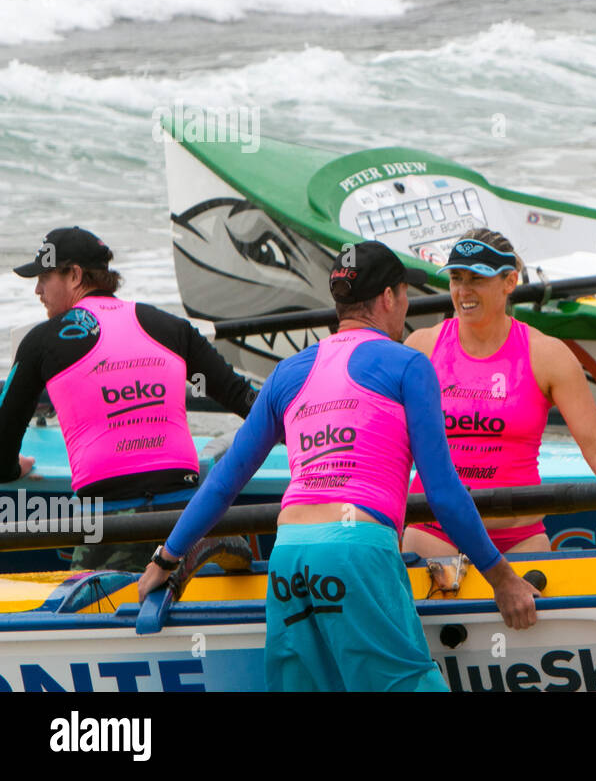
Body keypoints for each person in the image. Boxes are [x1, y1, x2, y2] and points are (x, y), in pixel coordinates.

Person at [138, 241, 538, 692]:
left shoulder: (287, 374)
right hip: (356, 551)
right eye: (404, 295)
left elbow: (224, 482)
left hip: (289, 555)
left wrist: (166, 557)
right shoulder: (409, 365)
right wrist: (502, 577)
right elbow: (443, 493)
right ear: (389, 298)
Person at [402, 230, 596, 558]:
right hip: (436, 532)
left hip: (519, 537)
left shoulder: (546, 355)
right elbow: (393, 443)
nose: (463, 290)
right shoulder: (423, 348)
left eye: (477, 279)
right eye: (456, 278)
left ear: (509, 282)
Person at [2, 227, 258, 571]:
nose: (37, 290)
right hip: (188, 517)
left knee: (92, 621)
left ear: (75, 275)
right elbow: (245, 400)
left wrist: (14, 467)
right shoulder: (169, 327)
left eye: (45, 278)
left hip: (108, 518)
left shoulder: (41, 342)